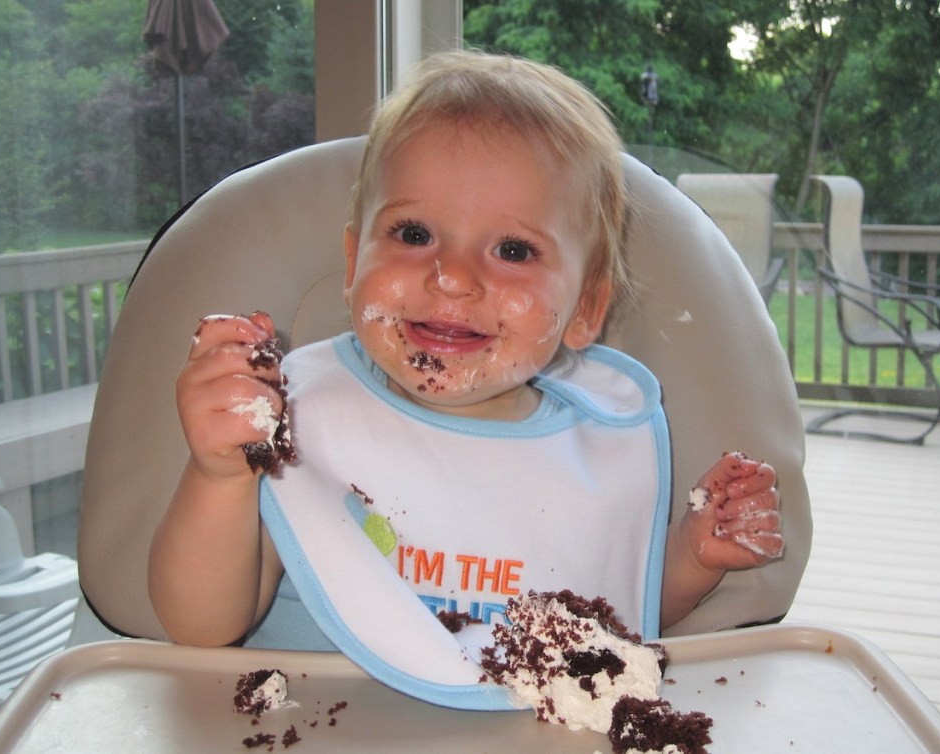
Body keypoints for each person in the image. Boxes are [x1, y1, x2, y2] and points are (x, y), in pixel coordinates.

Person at [148, 50, 783, 651]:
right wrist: (221, 477)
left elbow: (610, 617)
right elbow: (203, 629)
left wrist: (693, 558)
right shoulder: (299, 418)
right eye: (414, 233)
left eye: (513, 250)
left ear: (586, 308)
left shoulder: (588, 456)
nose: (451, 276)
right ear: (352, 263)